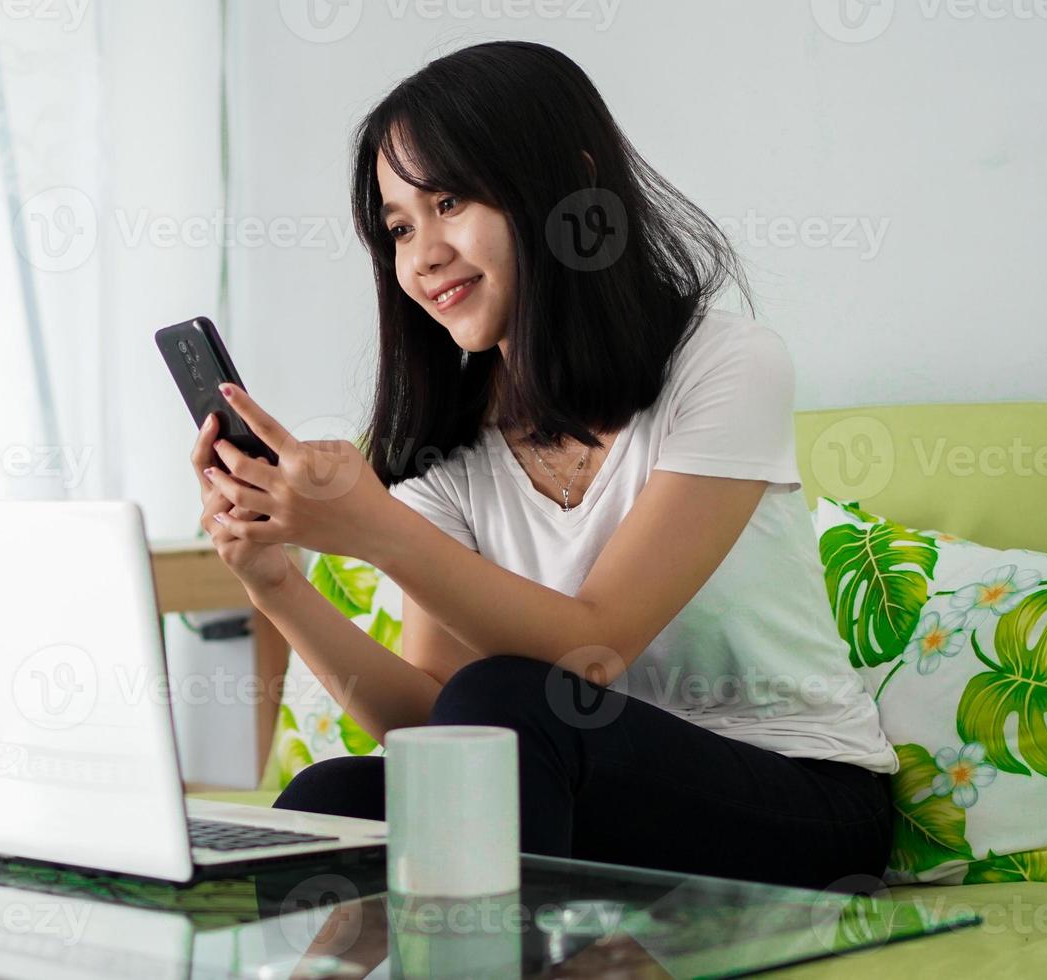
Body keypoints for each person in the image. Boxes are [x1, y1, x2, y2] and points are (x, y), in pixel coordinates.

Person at [186, 40, 896, 891]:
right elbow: (433, 721)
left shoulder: (727, 364)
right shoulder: (450, 443)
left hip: (797, 800)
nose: (421, 256)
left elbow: (594, 645)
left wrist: (377, 530)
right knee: (333, 798)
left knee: (513, 700)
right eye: (400, 226)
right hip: (581, 791)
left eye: (450, 200)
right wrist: (274, 583)